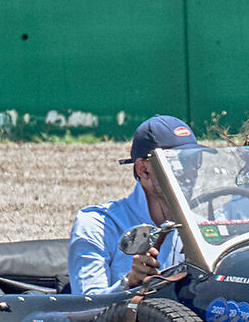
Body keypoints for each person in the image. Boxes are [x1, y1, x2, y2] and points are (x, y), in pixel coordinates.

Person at [68, 115, 197, 294]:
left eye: (195, 161)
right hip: (128, 321)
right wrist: (130, 282)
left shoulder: (203, 223)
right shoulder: (98, 223)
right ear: (143, 170)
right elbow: (85, 305)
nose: (191, 173)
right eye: (179, 163)